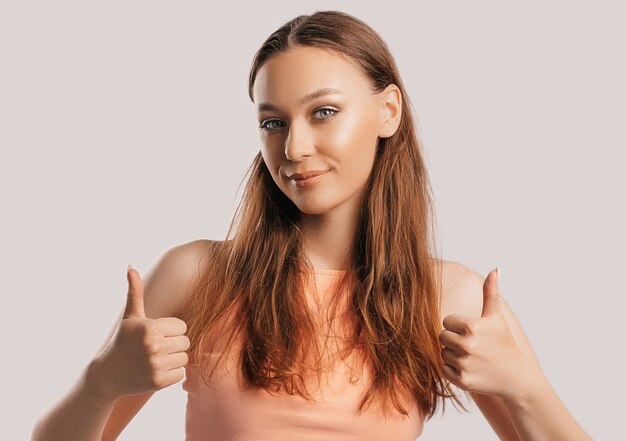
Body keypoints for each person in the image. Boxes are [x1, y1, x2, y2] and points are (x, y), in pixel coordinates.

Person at [32, 10, 592, 441]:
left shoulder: (450, 297)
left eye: (323, 112)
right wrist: (100, 382)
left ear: (387, 112)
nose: (294, 148)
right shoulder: (197, 274)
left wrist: (525, 389)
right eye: (273, 122)